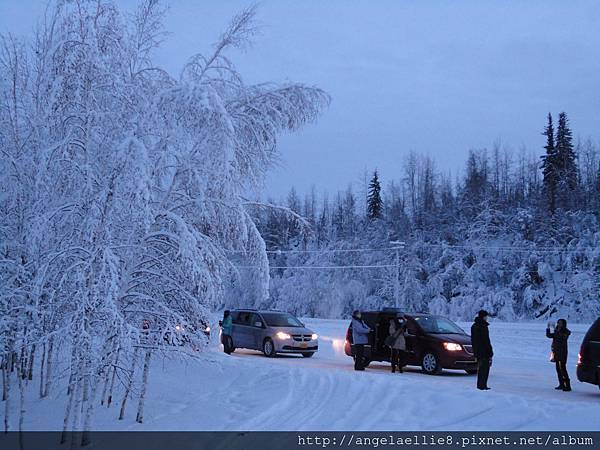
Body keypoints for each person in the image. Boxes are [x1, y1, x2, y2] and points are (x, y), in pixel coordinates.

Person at [546, 319, 572, 391]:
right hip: (556, 352)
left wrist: (555, 331)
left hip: (562, 352)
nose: (559, 324)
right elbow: (550, 336)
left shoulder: (566, 331)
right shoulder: (556, 329)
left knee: (563, 369)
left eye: (560, 323)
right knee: (558, 369)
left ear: (564, 324)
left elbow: (562, 337)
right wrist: (549, 329)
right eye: (558, 323)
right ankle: (561, 384)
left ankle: (567, 385)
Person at [471, 310, 493, 390]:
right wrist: (490, 352)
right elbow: (486, 340)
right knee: (485, 369)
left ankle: (480, 385)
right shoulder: (483, 326)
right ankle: (482, 386)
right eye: (486, 316)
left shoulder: (474, 326)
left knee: (481, 369)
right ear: (484, 316)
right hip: (484, 352)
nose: (487, 318)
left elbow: (473, 341)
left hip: (477, 351)